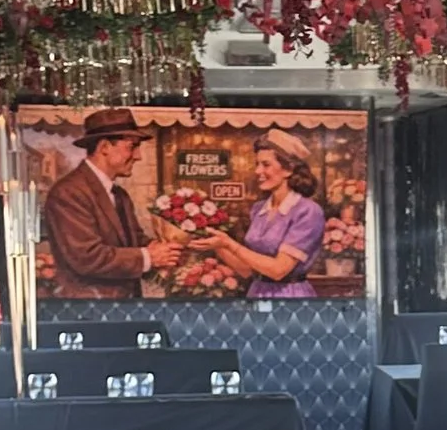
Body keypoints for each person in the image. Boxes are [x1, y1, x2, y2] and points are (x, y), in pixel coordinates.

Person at [39, 111, 175, 295]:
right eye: (132, 146)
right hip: (88, 311)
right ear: (104, 147)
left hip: (120, 308)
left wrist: (164, 248)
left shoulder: (120, 195)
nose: (138, 156)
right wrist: (149, 256)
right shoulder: (68, 192)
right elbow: (86, 257)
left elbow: (134, 241)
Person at [201, 132, 328, 298]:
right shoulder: (259, 209)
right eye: (257, 164)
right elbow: (247, 270)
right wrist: (218, 246)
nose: (257, 171)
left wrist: (230, 243)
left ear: (288, 169)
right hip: (257, 293)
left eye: (266, 165)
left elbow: (278, 271)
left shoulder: (308, 211)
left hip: (290, 296)